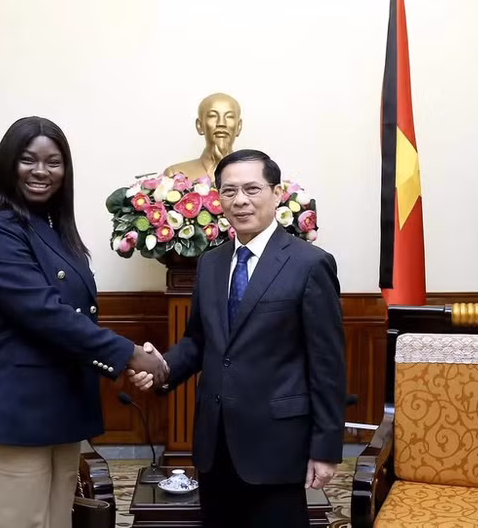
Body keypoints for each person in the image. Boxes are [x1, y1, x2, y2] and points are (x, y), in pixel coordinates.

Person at [0, 116, 167, 528]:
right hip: (9, 414)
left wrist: (125, 360)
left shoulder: (52, 228)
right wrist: (129, 354)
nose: (41, 172)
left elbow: (76, 316)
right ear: (7, 164)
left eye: (54, 162)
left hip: (58, 409)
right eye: (28, 160)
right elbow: (44, 313)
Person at [130, 149, 346, 528]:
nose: (240, 200)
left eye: (251, 189)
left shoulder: (310, 264)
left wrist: (326, 449)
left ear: (276, 193)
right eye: (229, 191)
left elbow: (327, 365)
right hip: (215, 441)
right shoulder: (212, 262)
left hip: (277, 443)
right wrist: (163, 367)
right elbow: (199, 340)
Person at [163, 93, 243, 182]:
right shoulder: (176, 175)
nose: (221, 123)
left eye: (229, 117)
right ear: (199, 125)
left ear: (239, 127)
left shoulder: (256, 174)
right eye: (212, 116)